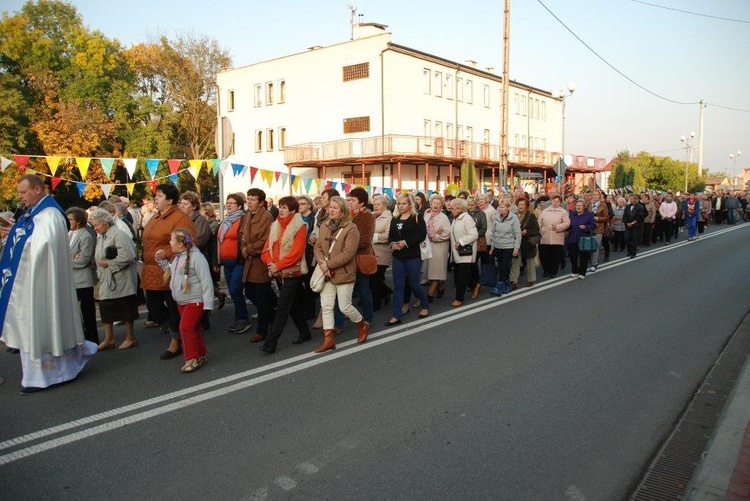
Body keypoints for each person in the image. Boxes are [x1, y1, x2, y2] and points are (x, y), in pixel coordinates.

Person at [0, 174, 96, 393]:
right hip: (30, 283)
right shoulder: (34, 214)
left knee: (44, 322)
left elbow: (44, 249)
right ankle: (50, 372)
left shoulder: (51, 215)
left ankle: (48, 375)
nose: (20, 196)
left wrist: (21, 238)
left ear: (38, 189)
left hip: (43, 283)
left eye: (24, 192)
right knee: (34, 324)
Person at [141, 183, 196, 359]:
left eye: (160, 196)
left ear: (170, 200)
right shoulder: (155, 217)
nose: (155, 199)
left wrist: (166, 252)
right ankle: (176, 328)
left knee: (173, 306)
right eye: (156, 196)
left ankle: (176, 339)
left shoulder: (180, 218)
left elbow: (189, 240)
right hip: (151, 269)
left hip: (171, 268)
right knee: (152, 306)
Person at [313, 196, 369, 352]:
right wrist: (323, 264)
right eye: (330, 206)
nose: (331, 209)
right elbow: (317, 247)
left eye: (335, 207)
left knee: (344, 306)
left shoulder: (351, 228)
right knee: (326, 306)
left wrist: (327, 264)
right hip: (326, 273)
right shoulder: (324, 226)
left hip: (343, 273)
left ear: (343, 211)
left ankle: (362, 325)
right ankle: (329, 340)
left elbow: (348, 254)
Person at [259, 196, 313, 352]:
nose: (281, 210)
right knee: (293, 305)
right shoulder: (275, 225)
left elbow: (296, 253)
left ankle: (270, 343)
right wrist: (271, 263)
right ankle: (305, 332)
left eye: (284, 207)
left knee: (282, 307)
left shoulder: (300, 226)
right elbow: (266, 250)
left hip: (291, 273)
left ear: (293, 210)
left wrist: (277, 265)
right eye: (280, 207)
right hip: (278, 272)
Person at [156, 228, 213, 372]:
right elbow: (174, 273)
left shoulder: (197, 258)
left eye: (172, 240)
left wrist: (208, 304)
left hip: (195, 300)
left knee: (185, 328)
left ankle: (192, 358)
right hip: (182, 301)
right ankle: (201, 354)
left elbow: (206, 281)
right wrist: (162, 262)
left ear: (180, 244)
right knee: (193, 328)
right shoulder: (178, 257)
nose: (169, 242)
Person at [91, 208, 140, 350]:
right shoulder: (102, 237)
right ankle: (109, 339)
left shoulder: (119, 234)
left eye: (97, 225)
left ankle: (130, 337)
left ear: (106, 222)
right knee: (105, 307)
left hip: (121, 278)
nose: (95, 228)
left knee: (126, 307)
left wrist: (109, 263)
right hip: (107, 279)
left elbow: (128, 256)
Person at [385, 193, 430, 325]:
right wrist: (393, 244)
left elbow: (421, 235)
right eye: (399, 203)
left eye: (404, 203)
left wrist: (405, 242)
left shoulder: (417, 218)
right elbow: (390, 236)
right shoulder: (395, 218)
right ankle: (397, 314)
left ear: (410, 204)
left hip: (413, 256)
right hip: (398, 256)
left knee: (414, 284)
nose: (401, 206)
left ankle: (425, 305)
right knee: (399, 286)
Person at [334, 187, 375, 330]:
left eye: (353, 200)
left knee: (364, 290)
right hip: (345, 259)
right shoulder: (345, 216)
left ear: (362, 202)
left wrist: (346, 247)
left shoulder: (368, 216)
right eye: (349, 199)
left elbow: (366, 239)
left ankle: (367, 318)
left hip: (360, 258)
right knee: (341, 291)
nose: (349, 202)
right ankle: (338, 323)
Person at [179, 191, 220, 329]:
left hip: (199, 258)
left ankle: (203, 320)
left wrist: (184, 242)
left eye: (185, 204)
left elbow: (200, 240)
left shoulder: (200, 221)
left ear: (194, 206)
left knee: (199, 290)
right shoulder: (183, 220)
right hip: (187, 258)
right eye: (181, 203)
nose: (182, 206)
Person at [241, 188, 277, 343]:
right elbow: (243, 234)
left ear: (261, 202)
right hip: (249, 259)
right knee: (249, 291)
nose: (249, 202)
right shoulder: (248, 215)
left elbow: (264, 240)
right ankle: (275, 309)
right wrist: (243, 247)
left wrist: (248, 249)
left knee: (261, 295)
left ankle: (263, 330)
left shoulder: (266, 216)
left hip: (261, 261)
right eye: (248, 198)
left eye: (253, 199)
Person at [219, 193, 251, 334]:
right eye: (228, 202)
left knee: (235, 289)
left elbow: (243, 238)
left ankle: (243, 318)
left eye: (232, 203)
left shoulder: (242, 219)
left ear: (239, 206)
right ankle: (238, 317)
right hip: (226, 261)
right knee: (233, 291)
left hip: (239, 260)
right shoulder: (225, 221)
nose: (229, 205)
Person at [66, 207, 99, 344]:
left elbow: (84, 259)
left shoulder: (85, 235)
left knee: (87, 311)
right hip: (71, 279)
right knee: (72, 312)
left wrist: (66, 261)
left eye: (70, 219)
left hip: (83, 280)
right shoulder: (67, 233)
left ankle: (92, 339)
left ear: (78, 221)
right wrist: (71, 257)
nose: (67, 222)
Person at [309, 188, 340, 329]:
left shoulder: (336, 215)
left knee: (332, 286)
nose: (321, 199)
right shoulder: (319, 214)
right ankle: (326, 316)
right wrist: (312, 237)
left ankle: (328, 316)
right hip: (319, 253)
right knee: (323, 285)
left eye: (324, 197)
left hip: (332, 254)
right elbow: (315, 231)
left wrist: (321, 240)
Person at [449, 198, 478, 307]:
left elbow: (474, 235)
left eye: (453, 207)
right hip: (458, 252)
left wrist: (461, 242)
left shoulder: (467, 218)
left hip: (466, 252)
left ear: (459, 208)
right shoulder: (455, 218)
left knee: (462, 276)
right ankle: (475, 286)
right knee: (464, 274)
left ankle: (459, 298)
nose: (451, 209)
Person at [488, 200, 521, 296]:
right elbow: (493, 233)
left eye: (503, 207)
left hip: (509, 246)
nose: (501, 209)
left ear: (508, 208)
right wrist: (492, 246)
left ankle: (499, 287)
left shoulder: (513, 218)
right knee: (502, 267)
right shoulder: (496, 217)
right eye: (500, 207)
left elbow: (518, 234)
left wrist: (516, 248)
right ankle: (507, 285)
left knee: (503, 266)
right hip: (498, 245)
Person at [423, 194, 450, 301]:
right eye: (434, 203)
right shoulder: (426, 215)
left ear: (441, 206)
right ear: (430, 204)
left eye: (438, 203)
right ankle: (440, 286)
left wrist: (434, 236)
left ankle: (430, 294)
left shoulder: (444, 218)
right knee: (428, 271)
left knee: (436, 272)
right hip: (427, 247)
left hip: (439, 248)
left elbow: (447, 233)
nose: (436, 205)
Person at [538, 195, 570, 278]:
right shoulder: (545, 211)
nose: (555, 203)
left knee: (555, 256)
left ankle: (553, 271)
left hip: (557, 237)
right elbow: (539, 222)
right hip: (545, 237)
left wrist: (558, 227)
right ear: (551, 201)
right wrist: (540, 231)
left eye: (557, 201)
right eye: (554, 201)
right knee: (544, 255)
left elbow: (567, 223)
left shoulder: (563, 212)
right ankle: (546, 270)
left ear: (560, 203)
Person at [297, 195, 318, 320]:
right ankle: (304, 306)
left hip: (309, 253)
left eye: (303, 203)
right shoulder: (296, 217)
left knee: (309, 282)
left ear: (309, 205)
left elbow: (314, 233)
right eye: (298, 203)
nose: (300, 205)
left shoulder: (314, 217)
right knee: (299, 283)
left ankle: (310, 310)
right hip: (298, 253)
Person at [510, 198, 539, 288]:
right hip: (516, 242)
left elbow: (536, 229)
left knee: (530, 261)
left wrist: (527, 232)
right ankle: (514, 281)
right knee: (515, 261)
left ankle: (531, 280)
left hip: (527, 242)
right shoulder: (513, 215)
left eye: (523, 204)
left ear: (526, 206)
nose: (521, 206)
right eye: (519, 204)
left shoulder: (531, 216)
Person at [371, 194, 393, 311]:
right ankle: (386, 291)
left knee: (376, 278)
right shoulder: (371, 216)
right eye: (374, 204)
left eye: (378, 204)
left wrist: (372, 237)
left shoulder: (389, 218)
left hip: (382, 252)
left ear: (384, 205)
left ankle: (376, 305)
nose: (375, 206)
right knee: (372, 278)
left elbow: (388, 236)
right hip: (370, 252)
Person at [567, 200, 596, 279]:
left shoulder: (589, 215)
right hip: (573, 238)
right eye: (577, 205)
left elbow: (593, 225)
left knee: (584, 256)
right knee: (573, 256)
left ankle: (582, 272)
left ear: (584, 207)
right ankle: (575, 271)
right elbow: (568, 224)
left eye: (580, 205)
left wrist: (586, 227)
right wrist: (567, 228)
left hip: (584, 238)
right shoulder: (572, 214)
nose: (578, 207)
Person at [466, 196, 488, 298]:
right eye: (468, 205)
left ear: (476, 205)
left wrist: (474, 236)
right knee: (469, 264)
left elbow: (484, 228)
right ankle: (473, 283)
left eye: (472, 205)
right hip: (467, 242)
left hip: (478, 242)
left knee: (474, 263)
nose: (470, 207)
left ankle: (476, 283)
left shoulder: (481, 214)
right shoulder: (465, 214)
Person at [588, 190, 609, 273]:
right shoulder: (589, 203)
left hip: (598, 228)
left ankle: (594, 263)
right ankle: (591, 260)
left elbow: (606, 217)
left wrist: (598, 218)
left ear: (600, 196)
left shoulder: (603, 205)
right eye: (593, 195)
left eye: (596, 195)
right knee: (589, 245)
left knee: (595, 245)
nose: (595, 196)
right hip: (589, 227)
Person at [623, 193, 646, 258]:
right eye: (630, 198)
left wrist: (632, 223)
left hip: (635, 226)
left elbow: (640, 217)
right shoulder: (627, 206)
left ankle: (633, 253)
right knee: (626, 239)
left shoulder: (640, 207)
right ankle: (629, 250)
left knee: (634, 240)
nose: (630, 199)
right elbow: (624, 216)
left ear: (635, 199)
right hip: (628, 225)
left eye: (632, 198)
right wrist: (627, 223)